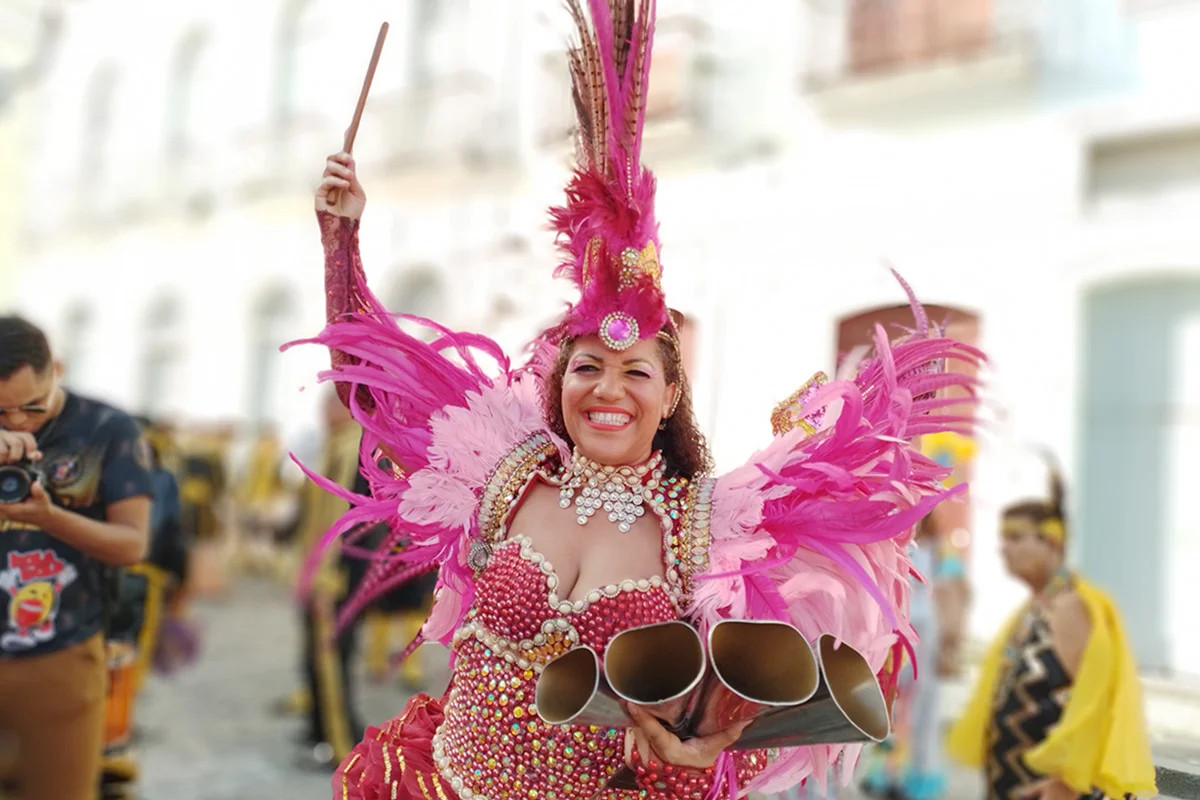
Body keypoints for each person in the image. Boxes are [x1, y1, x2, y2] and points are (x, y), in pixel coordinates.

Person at [300, 3, 981, 798]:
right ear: (559, 381)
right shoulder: (503, 473)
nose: (608, 390)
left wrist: (683, 759)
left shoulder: (710, 534)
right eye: (588, 367)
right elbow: (369, 387)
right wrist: (341, 239)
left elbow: (729, 744)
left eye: (636, 373)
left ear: (670, 394)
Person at [0, 315, 151, 800]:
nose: (18, 422)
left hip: (61, 653)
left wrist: (49, 517)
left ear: (58, 370)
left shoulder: (107, 429)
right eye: (1, 411)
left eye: (32, 406)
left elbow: (132, 545)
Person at [946, 467, 1157, 799]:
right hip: (1012, 782)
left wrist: (1067, 783)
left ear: (1052, 542)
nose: (1004, 548)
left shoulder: (1071, 607)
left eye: (1016, 537)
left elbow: (1101, 705)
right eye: (1003, 538)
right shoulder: (1036, 607)